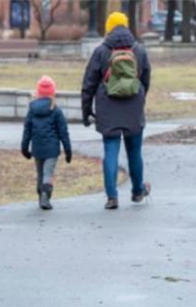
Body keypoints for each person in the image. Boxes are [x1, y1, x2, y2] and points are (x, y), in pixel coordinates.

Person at [81, 11, 152, 210]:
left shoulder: (101, 51)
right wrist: (139, 96)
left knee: (110, 151)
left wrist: (86, 111)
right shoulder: (138, 50)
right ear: (126, 25)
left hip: (107, 107)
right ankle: (138, 191)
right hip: (133, 107)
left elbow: (88, 83)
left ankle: (112, 196)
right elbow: (146, 78)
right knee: (135, 152)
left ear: (109, 27)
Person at [21, 75, 72, 210]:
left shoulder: (32, 110)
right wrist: (68, 151)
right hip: (52, 149)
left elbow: (27, 130)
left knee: (40, 173)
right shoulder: (56, 110)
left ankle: (41, 196)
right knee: (48, 173)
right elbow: (63, 133)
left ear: (38, 92)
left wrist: (24, 148)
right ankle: (45, 196)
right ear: (52, 93)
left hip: (37, 148)